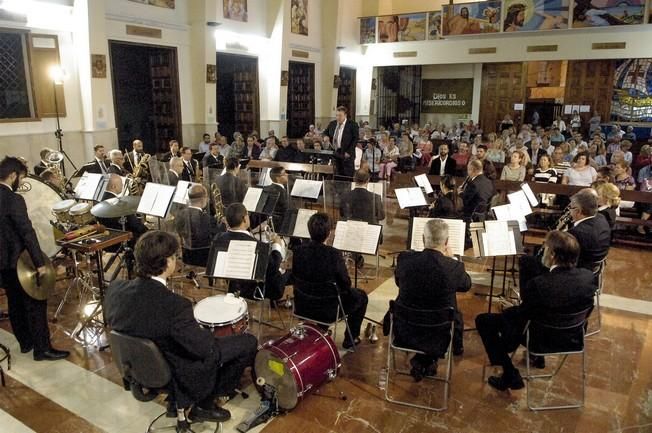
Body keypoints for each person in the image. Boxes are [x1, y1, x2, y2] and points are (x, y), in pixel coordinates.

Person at [105, 231, 257, 423]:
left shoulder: (115, 289)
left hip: (136, 366)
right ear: (168, 262)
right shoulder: (175, 306)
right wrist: (206, 333)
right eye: (174, 256)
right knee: (247, 342)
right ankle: (204, 405)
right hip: (174, 370)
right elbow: (204, 349)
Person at [476, 231, 596, 391]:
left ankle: (509, 372)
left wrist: (507, 309)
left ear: (552, 255)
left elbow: (522, 316)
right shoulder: (588, 278)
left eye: (545, 248)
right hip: (573, 338)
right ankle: (533, 360)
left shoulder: (539, 284)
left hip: (541, 339)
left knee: (484, 321)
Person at [0, 157, 70, 361]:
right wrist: (39, 263)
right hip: (19, 262)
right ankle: (42, 349)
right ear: (12, 175)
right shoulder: (14, 199)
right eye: (20, 179)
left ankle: (25, 343)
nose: (20, 184)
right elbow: (26, 232)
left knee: (14, 302)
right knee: (36, 303)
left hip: (2, 263)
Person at [390, 219, 471, 381]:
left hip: (404, 330)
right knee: (448, 304)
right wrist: (452, 259)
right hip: (438, 335)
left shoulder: (405, 260)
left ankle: (422, 361)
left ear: (422, 238)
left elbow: (399, 282)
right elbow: (466, 285)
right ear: (447, 242)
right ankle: (426, 360)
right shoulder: (453, 267)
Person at [292, 213, 368, 349]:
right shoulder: (334, 254)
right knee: (361, 296)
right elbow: (346, 284)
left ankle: (322, 328)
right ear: (329, 233)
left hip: (303, 306)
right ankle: (350, 338)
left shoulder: (298, 251)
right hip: (328, 310)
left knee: (321, 289)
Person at [213, 204, 289, 301]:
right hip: (254, 291)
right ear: (245, 219)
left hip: (233, 287)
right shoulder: (256, 245)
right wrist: (277, 245)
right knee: (281, 272)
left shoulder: (218, 237)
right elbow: (272, 267)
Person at [175, 185, 222, 263]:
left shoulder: (180, 214)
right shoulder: (208, 219)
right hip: (204, 257)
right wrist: (223, 224)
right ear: (203, 200)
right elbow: (217, 235)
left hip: (186, 255)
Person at [97, 174, 148, 245]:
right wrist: (148, 231)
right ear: (113, 186)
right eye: (121, 184)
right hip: (125, 239)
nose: (122, 186)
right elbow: (134, 225)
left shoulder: (98, 200)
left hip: (107, 239)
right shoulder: (120, 203)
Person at [325, 106, 359, 178]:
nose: (338, 118)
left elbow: (355, 139)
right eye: (336, 115)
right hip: (335, 153)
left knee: (347, 177)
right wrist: (325, 136)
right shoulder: (332, 124)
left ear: (345, 115)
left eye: (340, 115)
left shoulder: (352, 125)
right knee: (337, 175)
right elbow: (325, 132)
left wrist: (349, 152)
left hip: (347, 154)